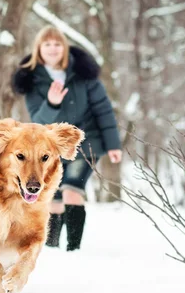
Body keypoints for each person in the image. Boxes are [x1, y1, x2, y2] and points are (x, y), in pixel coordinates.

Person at [11, 25, 123, 251]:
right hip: (50, 148)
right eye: (47, 45)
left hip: (87, 142)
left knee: (72, 191)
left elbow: (103, 109)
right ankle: (51, 248)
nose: (53, 49)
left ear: (65, 48)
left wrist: (113, 144)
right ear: (39, 49)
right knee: (52, 196)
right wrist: (52, 102)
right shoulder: (31, 79)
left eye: (57, 44)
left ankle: (73, 250)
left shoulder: (84, 74)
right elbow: (38, 120)